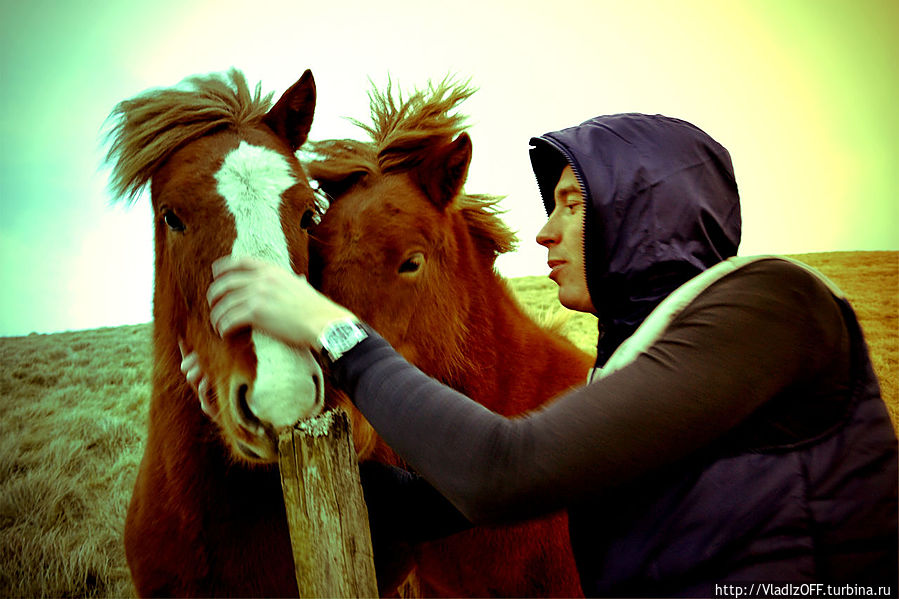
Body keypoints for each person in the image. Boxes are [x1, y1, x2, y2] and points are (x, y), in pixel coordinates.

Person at [192, 113, 898, 596]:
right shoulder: (627, 368)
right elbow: (433, 504)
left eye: (568, 203)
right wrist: (260, 422)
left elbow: (506, 472)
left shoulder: (771, 305)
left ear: (643, 208)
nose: (543, 232)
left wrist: (332, 329)